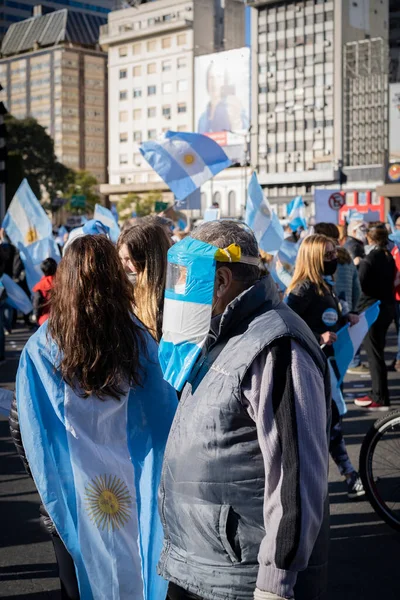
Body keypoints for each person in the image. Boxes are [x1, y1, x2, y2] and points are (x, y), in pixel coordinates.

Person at [159, 221, 331, 600]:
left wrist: (276, 583)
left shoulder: (276, 344)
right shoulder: (224, 332)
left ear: (220, 280)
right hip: (200, 567)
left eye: (187, 278)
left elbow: (296, 475)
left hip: (241, 581)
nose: (179, 291)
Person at [10, 234, 177, 600]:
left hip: (71, 494)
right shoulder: (138, 340)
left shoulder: (41, 348)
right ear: (115, 279)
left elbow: (24, 428)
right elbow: (164, 418)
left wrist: (47, 482)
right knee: (135, 574)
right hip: (133, 490)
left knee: (79, 586)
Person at [285, 234, 364, 500]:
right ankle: (346, 475)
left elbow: (326, 317)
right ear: (314, 258)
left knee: (331, 423)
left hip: (324, 367)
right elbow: (286, 327)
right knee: (327, 426)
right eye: (328, 255)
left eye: (334, 253)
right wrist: (318, 338)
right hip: (308, 368)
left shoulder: (322, 285)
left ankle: (346, 475)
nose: (334, 259)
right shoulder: (302, 290)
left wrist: (346, 317)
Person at [314, 223, 366, 375]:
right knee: (339, 365)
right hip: (345, 313)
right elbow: (357, 288)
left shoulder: (320, 259)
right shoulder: (346, 256)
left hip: (326, 319)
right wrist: (351, 308)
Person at [354, 226, 396, 410]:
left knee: (374, 354)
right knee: (377, 352)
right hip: (387, 307)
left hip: (372, 309)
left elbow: (359, 286)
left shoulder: (368, 260)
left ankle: (379, 396)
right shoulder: (388, 257)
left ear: (369, 240)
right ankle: (380, 394)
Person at [118, 220, 172, 341]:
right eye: (121, 258)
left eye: (128, 259)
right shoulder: (127, 290)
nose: (123, 266)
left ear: (149, 260)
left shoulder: (171, 297)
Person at [32, 257, 58, 326]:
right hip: (60, 317)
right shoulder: (62, 283)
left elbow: (37, 302)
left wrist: (36, 315)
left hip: (45, 319)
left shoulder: (39, 286)